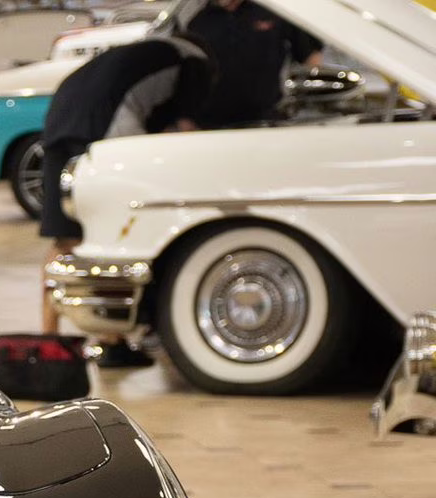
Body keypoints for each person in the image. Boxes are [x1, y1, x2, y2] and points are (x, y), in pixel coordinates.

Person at [38, 36, 211, 358]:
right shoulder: (195, 63)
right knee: (114, 235)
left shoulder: (142, 51)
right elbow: (187, 131)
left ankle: (48, 342)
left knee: (65, 238)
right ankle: (111, 341)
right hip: (107, 125)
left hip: (59, 118)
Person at [187, 0, 323, 127]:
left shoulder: (274, 11)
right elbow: (185, 74)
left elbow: (311, 57)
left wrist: (315, 100)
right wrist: (185, 119)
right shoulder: (196, 21)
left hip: (267, 123)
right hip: (208, 128)